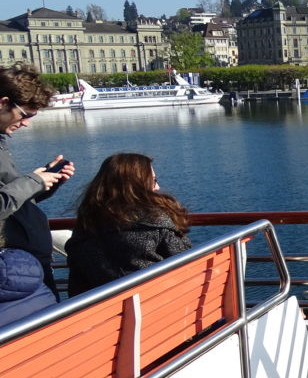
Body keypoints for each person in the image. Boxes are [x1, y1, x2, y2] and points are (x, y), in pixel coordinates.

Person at [67, 153, 191, 296]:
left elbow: (76, 289)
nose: (157, 187)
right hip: (161, 308)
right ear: (138, 186)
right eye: (154, 180)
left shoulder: (84, 230)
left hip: (104, 315)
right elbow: (190, 268)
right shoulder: (157, 223)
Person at [0, 63, 74, 302]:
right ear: (3, 103)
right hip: (12, 273)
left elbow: (14, 201)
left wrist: (47, 181)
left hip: (25, 267)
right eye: (25, 114)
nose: (26, 123)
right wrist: (34, 180)